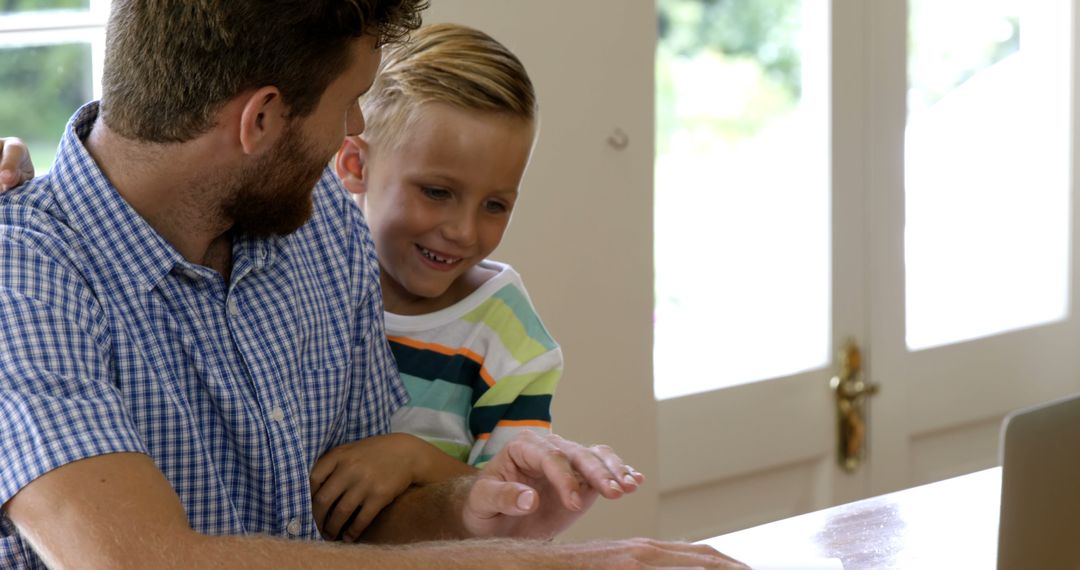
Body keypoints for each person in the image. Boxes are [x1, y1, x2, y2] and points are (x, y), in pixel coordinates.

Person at [0, 1, 745, 568]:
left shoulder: (321, 218)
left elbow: (358, 517)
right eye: (348, 100)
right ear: (260, 119)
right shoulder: (22, 278)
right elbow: (139, 561)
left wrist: (471, 506)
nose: (356, 125)